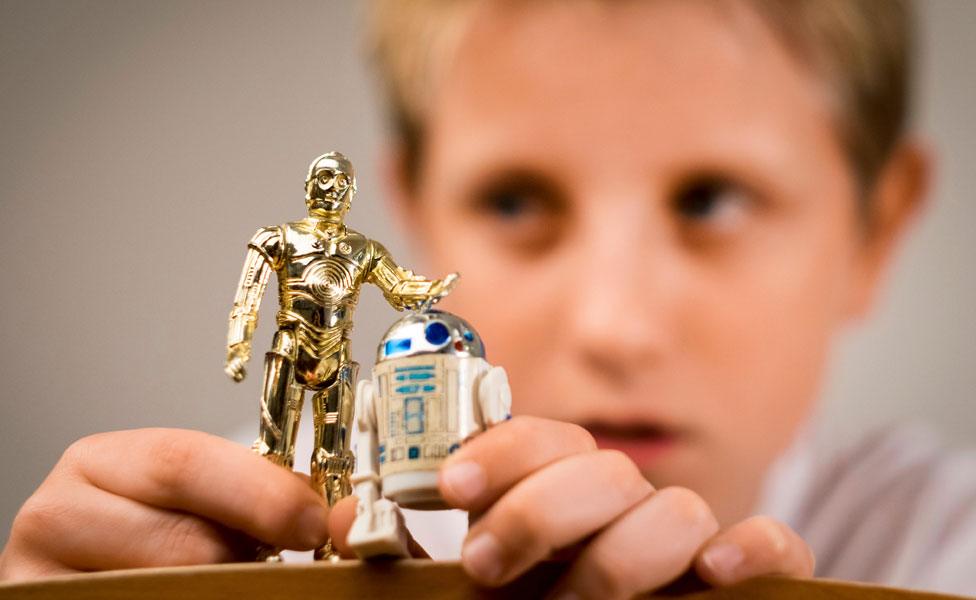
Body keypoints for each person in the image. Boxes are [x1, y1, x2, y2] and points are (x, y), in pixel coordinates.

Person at [2, 0, 973, 598]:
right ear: (418, 210)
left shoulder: (944, 549)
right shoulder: (244, 554)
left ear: (875, 231)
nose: (613, 326)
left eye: (710, 201)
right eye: (514, 202)